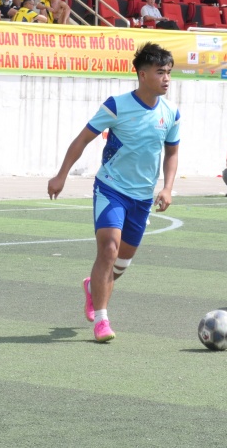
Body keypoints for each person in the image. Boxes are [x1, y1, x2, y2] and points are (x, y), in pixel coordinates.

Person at [47, 43, 181, 342]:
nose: (167, 79)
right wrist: (61, 175)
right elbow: (82, 140)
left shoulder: (171, 112)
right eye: (160, 72)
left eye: (169, 72)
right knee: (108, 250)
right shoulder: (116, 106)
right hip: (112, 189)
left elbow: (172, 152)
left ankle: (91, 286)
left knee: (120, 263)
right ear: (142, 74)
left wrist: (168, 187)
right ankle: (101, 321)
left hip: (142, 198)